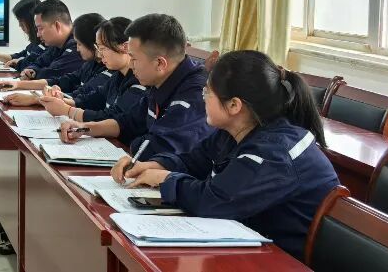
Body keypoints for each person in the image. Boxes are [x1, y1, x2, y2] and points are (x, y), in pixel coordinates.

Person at [116, 50, 340, 260]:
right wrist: (154, 165)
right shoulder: (234, 131)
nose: (203, 98)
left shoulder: (275, 152)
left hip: (281, 259)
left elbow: (214, 201)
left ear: (234, 105)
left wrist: (166, 179)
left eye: (207, 92)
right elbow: (193, 160)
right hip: (249, 244)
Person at [59, 13, 213, 156]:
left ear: (160, 63)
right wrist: (83, 129)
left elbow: (157, 147)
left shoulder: (196, 94)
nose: (131, 66)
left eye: (134, 58)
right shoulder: (161, 79)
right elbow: (128, 122)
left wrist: (133, 143)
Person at [40, 17, 146, 122]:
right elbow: (94, 99)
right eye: (98, 48)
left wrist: (68, 110)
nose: (99, 54)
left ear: (125, 47)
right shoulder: (118, 76)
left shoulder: (140, 82)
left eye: (102, 48)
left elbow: (113, 119)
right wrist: (62, 101)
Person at [0, 13, 109, 108]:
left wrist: (36, 99)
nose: (78, 49)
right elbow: (64, 80)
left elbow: (82, 97)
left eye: (80, 44)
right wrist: (18, 84)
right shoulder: (90, 64)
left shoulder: (109, 72)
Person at [15, 0, 85, 82]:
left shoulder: (78, 45)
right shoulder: (56, 45)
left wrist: (34, 74)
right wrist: (31, 69)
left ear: (57, 26)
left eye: (40, 28)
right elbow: (38, 62)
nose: (38, 34)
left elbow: (51, 74)